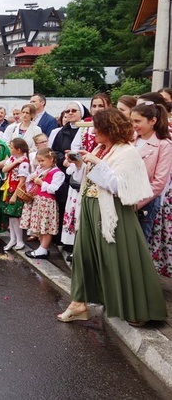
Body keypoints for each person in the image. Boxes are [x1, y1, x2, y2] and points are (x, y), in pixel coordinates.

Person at [58, 108, 167, 326]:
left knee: (118, 260)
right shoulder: (100, 148)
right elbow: (86, 179)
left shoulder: (127, 152)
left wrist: (96, 163)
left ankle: (138, 309)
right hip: (89, 208)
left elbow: (120, 187)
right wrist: (80, 163)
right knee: (83, 256)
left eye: (98, 128)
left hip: (112, 213)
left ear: (110, 129)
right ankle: (78, 303)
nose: (94, 132)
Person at [130, 102, 172, 242]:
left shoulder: (164, 145)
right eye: (132, 121)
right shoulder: (132, 140)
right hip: (125, 196)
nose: (134, 125)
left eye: (137, 121)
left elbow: (159, 183)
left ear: (153, 121)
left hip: (145, 201)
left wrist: (136, 203)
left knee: (140, 242)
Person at [48, 101, 85, 249]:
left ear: (81, 113)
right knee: (64, 205)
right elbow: (54, 151)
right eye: (68, 110)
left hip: (80, 172)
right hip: (64, 173)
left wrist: (73, 160)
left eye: (74, 110)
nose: (70, 113)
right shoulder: (61, 132)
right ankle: (64, 239)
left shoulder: (85, 131)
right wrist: (63, 160)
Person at [21, 148, 65, 259]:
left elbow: (54, 189)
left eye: (42, 161)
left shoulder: (58, 173)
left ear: (51, 159)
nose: (40, 163)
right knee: (40, 225)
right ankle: (42, 247)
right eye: (39, 161)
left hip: (48, 202)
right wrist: (31, 178)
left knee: (46, 226)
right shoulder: (40, 170)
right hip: (38, 200)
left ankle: (44, 248)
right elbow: (31, 178)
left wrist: (42, 183)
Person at [0, 138, 31, 251]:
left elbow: (22, 180)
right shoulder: (14, 159)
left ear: (18, 150)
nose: (10, 149)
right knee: (10, 216)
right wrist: (15, 162)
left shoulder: (24, 163)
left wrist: (15, 195)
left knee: (15, 217)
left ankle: (19, 240)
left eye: (11, 147)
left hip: (16, 190)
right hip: (9, 188)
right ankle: (12, 239)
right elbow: (4, 169)